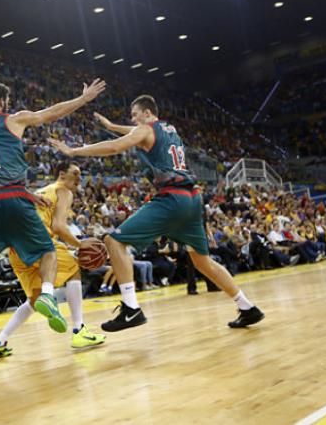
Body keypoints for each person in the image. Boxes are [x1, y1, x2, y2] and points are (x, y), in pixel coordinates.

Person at [49, 95, 264, 331]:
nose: (132, 119)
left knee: (114, 240)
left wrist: (74, 151)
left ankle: (131, 309)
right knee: (203, 262)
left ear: (147, 113)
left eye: (134, 114)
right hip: (193, 199)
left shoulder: (145, 129)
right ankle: (247, 307)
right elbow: (135, 133)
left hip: (172, 199)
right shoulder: (169, 129)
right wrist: (111, 126)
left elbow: (115, 146)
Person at [0, 78, 106, 363]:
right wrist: (83, 98)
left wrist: (26, 193)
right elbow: (49, 114)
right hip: (13, 202)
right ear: (2, 102)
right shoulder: (12, 119)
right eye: (8, 100)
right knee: (49, 252)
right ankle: (50, 296)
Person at [0, 162, 105, 360]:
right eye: (75, 174)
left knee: (35, 298)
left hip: (15, 246)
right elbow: (58, 226)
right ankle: (79, 331)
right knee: (74, 268)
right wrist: (80, 244)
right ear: (62, 174)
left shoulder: (41, 191)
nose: (79, 179)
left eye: (81, 174)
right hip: (38, 240)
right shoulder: (63, 191)